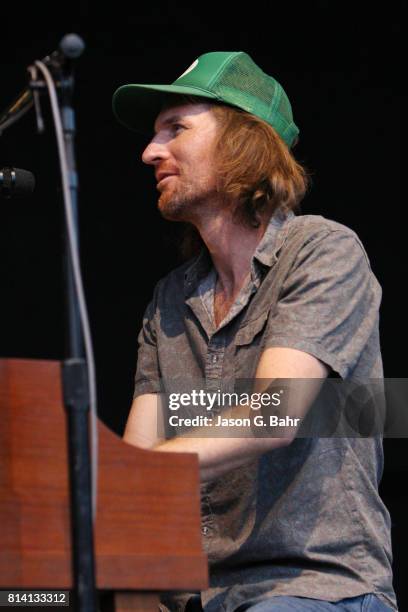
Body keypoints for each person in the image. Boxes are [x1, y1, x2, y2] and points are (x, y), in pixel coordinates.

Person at [112, 51, 397, 611]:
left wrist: (123, 475)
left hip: (311, 587)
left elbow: (276, 416)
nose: (150, 152)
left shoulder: (322, 251)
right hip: (197, 596)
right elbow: (134, 474)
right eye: (153, 135)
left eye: (176, 128)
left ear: (243, 143)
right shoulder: (169, 300)